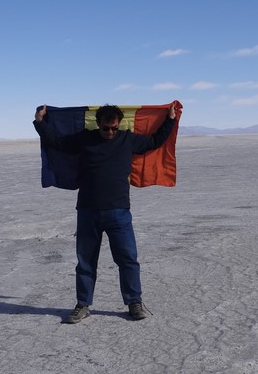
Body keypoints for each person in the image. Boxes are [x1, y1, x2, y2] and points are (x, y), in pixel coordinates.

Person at [33, 102, 179, 324]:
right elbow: (58, 142)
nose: (110, 132)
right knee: (85, 262)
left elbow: (154, 141)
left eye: (114, 128)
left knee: (128, 260)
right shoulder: (85, 138)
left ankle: (134, 303)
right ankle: (83, 305)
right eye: (105, 128)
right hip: (88, 211)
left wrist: (169, 120)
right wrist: (40, 123)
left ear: (119, 125)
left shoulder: (127, 139)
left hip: (119, 213)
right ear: (98, 124)